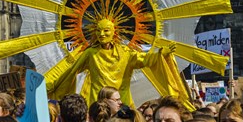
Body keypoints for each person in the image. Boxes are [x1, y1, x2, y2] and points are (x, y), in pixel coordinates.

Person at [47, 18, 178, 107]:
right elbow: (71, 71)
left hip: (122, 104)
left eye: (106, 30)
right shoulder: (90, 53)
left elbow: (146, 60)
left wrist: (161, 54)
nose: (101, 34)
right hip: (98, 105)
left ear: (114, 32)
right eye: (98, 30)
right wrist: (55, 85)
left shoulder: (125, 52)